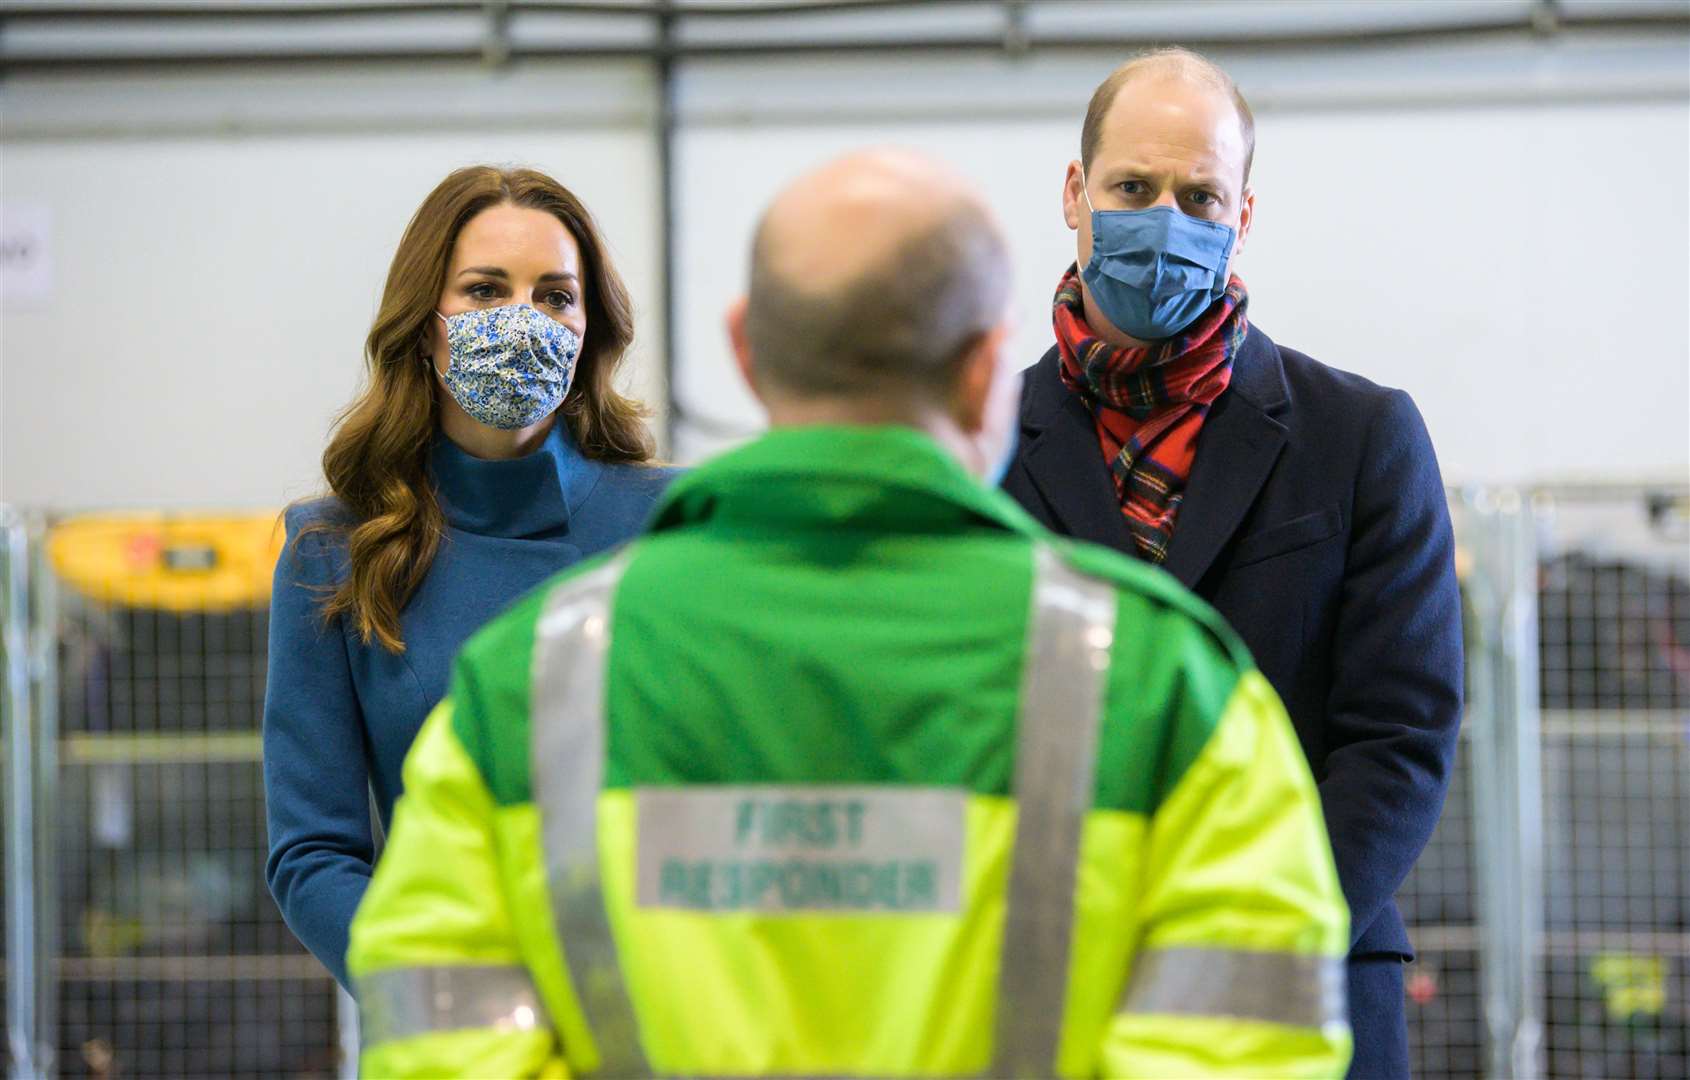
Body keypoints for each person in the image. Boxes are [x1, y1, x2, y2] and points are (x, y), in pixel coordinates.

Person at [345, 149, 1351, 1078]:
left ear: (745, 352)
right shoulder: (1164, 685)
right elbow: (1248, 1046)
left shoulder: (526, 686)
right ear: (981, 370)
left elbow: (436, 1038)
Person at [999, 48, 1463, 1078]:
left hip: (1306, 986)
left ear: (1241, 213)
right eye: (1132, 188)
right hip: (1050, 995)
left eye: (1198, 195)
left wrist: (1248, 942)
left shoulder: (1361, 437)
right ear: (1075, 195)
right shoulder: (981, 451)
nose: (1164, 218)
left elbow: (1400, 737)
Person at [263, 165, 678, 990]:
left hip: (652, 1008)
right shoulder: (333, 548)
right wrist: (444, 988)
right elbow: (313, 853)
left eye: (555, 296)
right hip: (447, 1014)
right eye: (486, 290)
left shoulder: (675, 525)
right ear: (426, 324)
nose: (523, 320)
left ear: (589, 326)